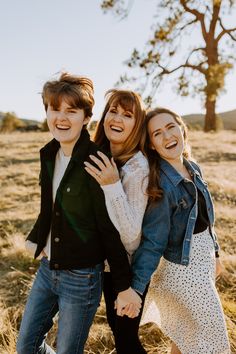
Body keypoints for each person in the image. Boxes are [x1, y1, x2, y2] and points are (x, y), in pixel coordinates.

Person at [16, 73, 141, 354]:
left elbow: (109, 229)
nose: (61, 117)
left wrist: (123, 286)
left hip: (81, 279)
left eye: (71, 111)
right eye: (54, 108)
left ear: (86, 117)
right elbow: (51, 205)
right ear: (46, 112)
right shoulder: (48, 153)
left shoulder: (96, 161)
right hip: (48, 270)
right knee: (26, 347)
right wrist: (38, 236)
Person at [130, 107, 231, 354]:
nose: (167, 137)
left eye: (170, 127)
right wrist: (136, 288)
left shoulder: (193, 167)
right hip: (183, 271)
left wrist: (215, 254)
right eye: (157, 133)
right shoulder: (162, 186)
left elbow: (206, 220)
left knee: (187, 336)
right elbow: (153, 241)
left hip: (202, 260)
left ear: (182, 129)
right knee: (213, 340)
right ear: (152, 144)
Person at [84, 89, 149, 354]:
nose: (117, 118)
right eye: (113, 111)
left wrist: (112, 186)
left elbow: (132, 234)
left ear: (137, 124)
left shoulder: (137, 167)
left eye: (127, 114)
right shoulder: (100, 155)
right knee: (117, 330)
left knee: (126, 340)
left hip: (128, 267)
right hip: (103, 263)